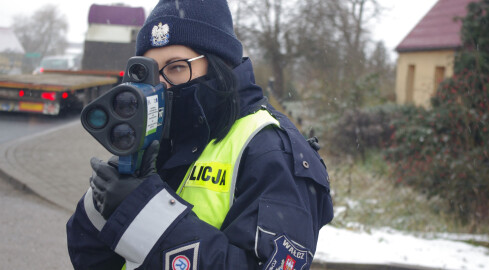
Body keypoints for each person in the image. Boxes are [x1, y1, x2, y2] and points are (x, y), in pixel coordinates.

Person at [66, 0, 333, 269]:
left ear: (221, 65)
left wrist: (142, 213)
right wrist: (104, 200)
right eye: (148, 71)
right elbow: (87, 255)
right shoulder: (165, 136)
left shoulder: (271, 151)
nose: (160, 86)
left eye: (176, 67)